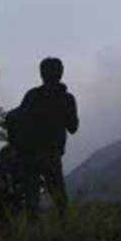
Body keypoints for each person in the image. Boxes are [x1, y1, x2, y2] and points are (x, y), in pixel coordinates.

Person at [17, 57, 79, 218]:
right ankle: (65, 229)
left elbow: (17, 118)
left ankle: (29, 233)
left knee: (31, 197)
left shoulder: (31, 95)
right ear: (61, 73)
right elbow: (73, 128)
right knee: (59, 196)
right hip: (51, 154)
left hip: (28, 155)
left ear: (41, 74)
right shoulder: (66, 99)